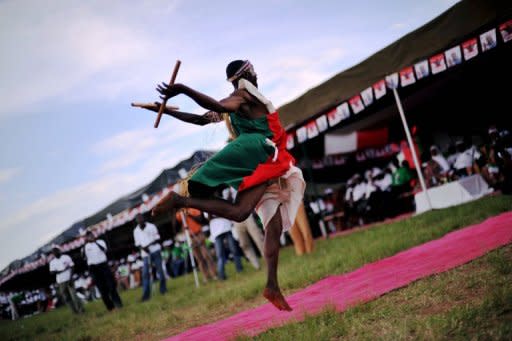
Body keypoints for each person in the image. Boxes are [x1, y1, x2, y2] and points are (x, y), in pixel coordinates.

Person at [136, 60, 305, 311]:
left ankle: (272, 285)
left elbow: (200, 119)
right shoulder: (243, 95)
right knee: (258, 217)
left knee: (254, 217)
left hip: (263, 162)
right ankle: (180, 200)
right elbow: (215, 106)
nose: (256, 74)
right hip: (259, 152)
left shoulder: (239, 101)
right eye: (253, 71)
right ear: (246, 74)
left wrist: (167, 110)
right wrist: (182, 88)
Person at [82, 231, 123, 311]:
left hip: (103, 265)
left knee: (111, 285)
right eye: (88, 236)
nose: (90, 237)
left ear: (93, 235)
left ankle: (118, 303)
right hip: (93, 268)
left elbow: (104, 250)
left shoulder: (100, 242)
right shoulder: (85, 247)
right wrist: (84, 245)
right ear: (86, 238)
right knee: (102, 289)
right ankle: (110, 307)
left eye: (91, 235)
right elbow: (84, 257)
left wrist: (95, 242)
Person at [133, 214, 167, 301]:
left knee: (160, 270)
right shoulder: (136, 231)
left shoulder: (151, 226)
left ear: (144, 218)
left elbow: (157, 238)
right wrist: (143, 248)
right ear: (136, 221)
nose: (140, 220)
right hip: (145, 254)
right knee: (145, 274)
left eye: (141, 218)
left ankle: (163, 290)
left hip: (155, 250)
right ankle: (146, 295)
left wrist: (148, 246)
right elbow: (137, 244)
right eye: (138, 219)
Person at [48, 246, 84, 314]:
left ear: (59, 250)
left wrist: (70, 278)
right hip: (60, 281)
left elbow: (72, 266)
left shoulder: (66, 257)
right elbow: (51, 272)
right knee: (67, 298)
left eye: (56, 250)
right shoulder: (52, 262)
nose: (55, 252)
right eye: (54, 252)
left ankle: (81, 310)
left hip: (69, 279)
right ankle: (74, 312)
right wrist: (61, 270)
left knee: (74, 296)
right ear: (53, 253)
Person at [209, 214, 243, 280]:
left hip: (227, 227)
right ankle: (221, 276)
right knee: (220, 255)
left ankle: (240, 269)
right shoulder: (207, 203)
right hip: (216, 232)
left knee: (234, 250)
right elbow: (208, 217)